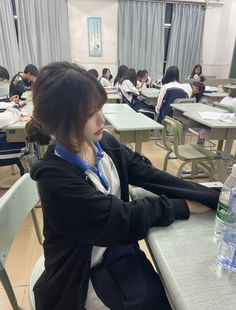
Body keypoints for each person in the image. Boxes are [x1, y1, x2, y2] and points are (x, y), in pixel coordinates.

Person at [26, 62, 220, 310]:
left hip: (114, 250)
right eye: (89, 112)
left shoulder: (102, 144)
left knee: (167, 294)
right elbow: (121, 218)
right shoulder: (55, 180)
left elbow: (152, 177)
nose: (100, 118)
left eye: (99, 107)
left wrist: (213, 196)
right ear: (62, 121)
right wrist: (183, 205)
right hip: (82, 271)